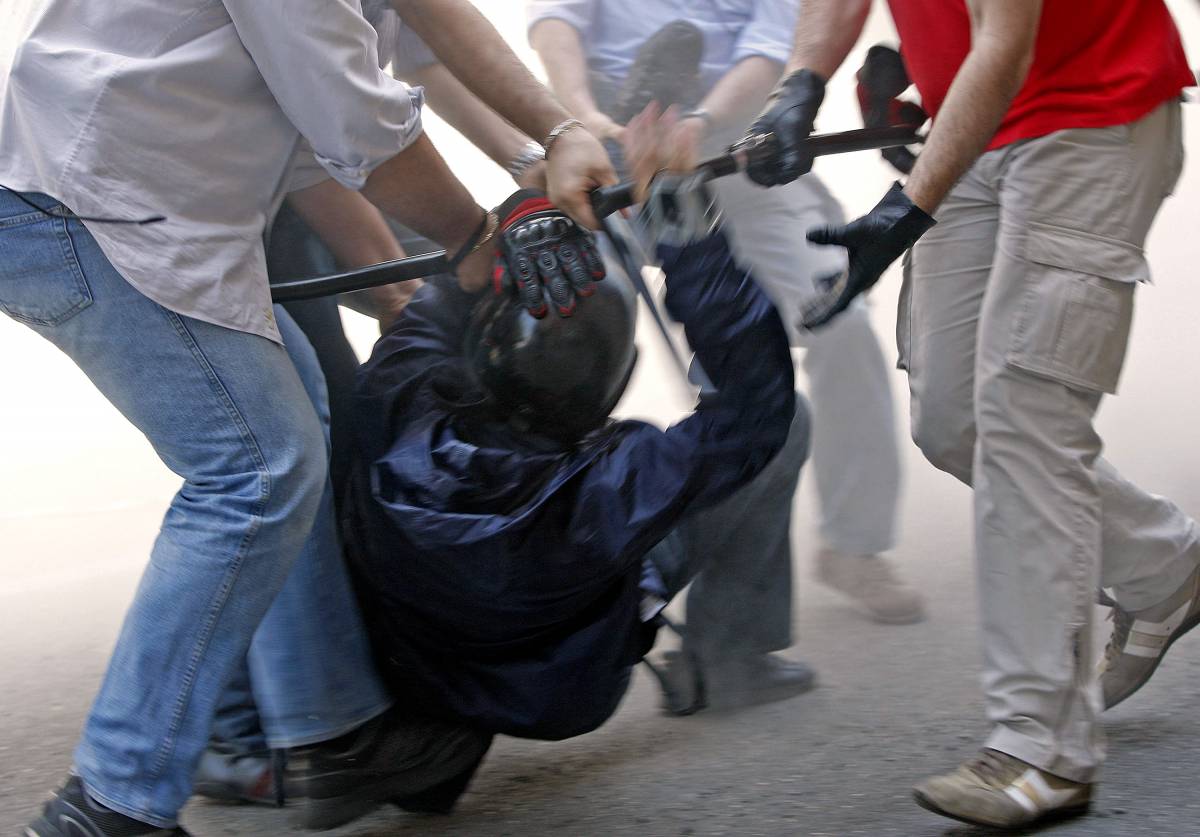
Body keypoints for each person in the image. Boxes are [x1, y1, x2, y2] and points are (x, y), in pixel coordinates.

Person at [1, 2, 618, 835]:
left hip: (145, 208)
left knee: (291, 433)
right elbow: (351, 111)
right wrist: (482, 230)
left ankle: (291, 729)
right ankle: (113, 803)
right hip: (91, 207)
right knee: (258, 474)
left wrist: (556, 133)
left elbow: (366, 83)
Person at [743, 0, 1198, 828]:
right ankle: (1166, 567)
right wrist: (802, 82)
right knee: (953, 416)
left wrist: (905, 208)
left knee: (1026, 413)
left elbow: (1007, 42)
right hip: (978, 123)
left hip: (1088, 113)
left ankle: (1040, 748)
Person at [345, 108, 812, 764]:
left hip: (417, 670)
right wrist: (690, 240)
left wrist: (521, 212)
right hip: (561, 693)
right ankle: (731, 649)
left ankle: (423, 723)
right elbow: (756, 413)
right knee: (790, 431)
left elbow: (447, 296)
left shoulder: (397, 400)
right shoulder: (609, 486)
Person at [529, 0, 925, 626]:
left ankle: (855, 545)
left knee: (842, 326)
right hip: (602, 154)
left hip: (735, 149)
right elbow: (556, 26)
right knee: (558, 339)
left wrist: (694, 125)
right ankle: (559, 562)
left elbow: (767, 54)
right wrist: (584, 119)